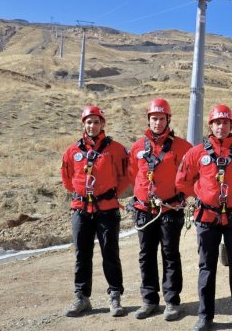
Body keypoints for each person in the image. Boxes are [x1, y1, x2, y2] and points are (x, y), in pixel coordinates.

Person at [176, 104, 232, 331]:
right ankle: (205, 317)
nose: (221, 126)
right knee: (206, 267)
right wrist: (201, 196)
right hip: (207, 217)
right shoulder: (196, 153)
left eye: (225, 122)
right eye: (217, 122)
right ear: (210, 126)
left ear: (231, 125)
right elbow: (182, 181)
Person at [61, 105, 131, 317]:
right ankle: (82, 297)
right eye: (88, 122)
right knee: (82, 253)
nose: (92, 126)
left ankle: (115, 295)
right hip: (81, 209)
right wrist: (82, 194)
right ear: (83, 124)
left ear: (103, 124)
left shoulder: (116, 149)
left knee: (110, 252)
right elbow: (67, 179)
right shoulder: (72, 151)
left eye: (96, 122)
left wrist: (108, 195)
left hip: (107, 209)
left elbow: (124, 176)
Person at [128, 98, 192, 321]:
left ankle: (172, 301)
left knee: (170, 254)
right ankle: (149, 300)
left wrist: (182, 197)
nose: (157, 122)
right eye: (153, 118)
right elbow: (132, 173)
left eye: (161, 118)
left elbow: (192, 175)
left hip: (170, 209)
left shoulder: (182, 147)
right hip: (144, 210)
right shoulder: (138, 147)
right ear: (149, 120)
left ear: (168, 120)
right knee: (146, 255)